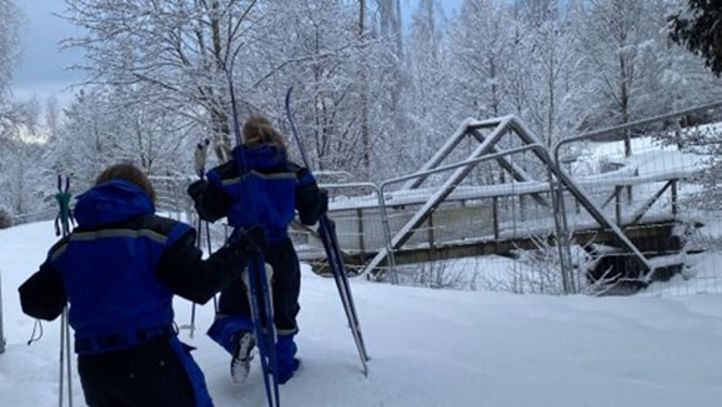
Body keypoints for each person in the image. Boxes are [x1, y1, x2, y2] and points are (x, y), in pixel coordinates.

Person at [18, 163, 267, 407]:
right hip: (152, 359)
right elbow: (199, 285)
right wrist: (241, 248)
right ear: (144, 193)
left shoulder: (67, 248)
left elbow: (36, 303)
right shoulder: (158, 235)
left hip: (96, 369)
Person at [188, 115, 327, 385]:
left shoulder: (228, 173)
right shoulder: (294, 171)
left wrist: (200, 192)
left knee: (232, 308)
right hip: (280, 249)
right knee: (283, 310)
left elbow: (210, 212)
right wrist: (320, 200)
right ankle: (282, 368)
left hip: (241, 248)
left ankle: (240, 335)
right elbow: (311, 214)